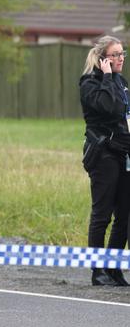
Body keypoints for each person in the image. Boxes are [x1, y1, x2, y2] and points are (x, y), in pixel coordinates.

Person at [79, 35, 130, 286]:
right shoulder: (90, 83)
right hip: (103, 155)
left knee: (125, 215)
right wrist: (108, 77)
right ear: (102, 59)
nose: (121, 58)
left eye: (123, 54)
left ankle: (113, 268)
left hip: (124, 153)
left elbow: (124, 113)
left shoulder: (122, 82)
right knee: (102, 214)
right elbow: (109, 107)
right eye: (115, 55)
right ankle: (97, 270)